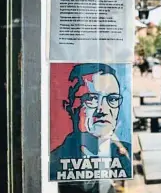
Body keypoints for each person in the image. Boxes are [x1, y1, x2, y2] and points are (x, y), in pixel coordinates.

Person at [50, 64, 131, 192]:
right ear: (69, 107)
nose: (103, 109)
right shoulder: (54, 160)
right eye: (92, 98)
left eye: (113, 99)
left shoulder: (125, 154)